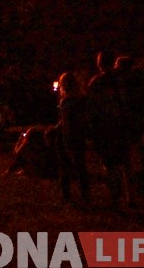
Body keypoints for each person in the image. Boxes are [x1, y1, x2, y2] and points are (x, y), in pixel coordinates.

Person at [87, 51, 132, 208]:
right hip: (121, 124)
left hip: (105, 126)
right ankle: (129, 195)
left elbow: (92, 107)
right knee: (125, 162)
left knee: (109, 163)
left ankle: (115, 196)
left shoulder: (96, 83)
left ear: (99, 64)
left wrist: (92, 127)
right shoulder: (120, 81)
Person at [114, 56, 144, 198]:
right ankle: (140, 186)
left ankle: (135, 186)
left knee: (132, 155)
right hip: (134, 123)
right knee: (136, 155)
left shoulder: (127, 86)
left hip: (129, 124)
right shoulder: (135, 83)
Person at [55, 71, 90, 203]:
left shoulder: (66, 101)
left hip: (68, 135)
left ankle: (66, 195)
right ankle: (85, 194)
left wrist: (66, 137)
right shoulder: (82, 100)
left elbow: (67, 122)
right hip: (79, 134)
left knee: (65, 166)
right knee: (80, 165)